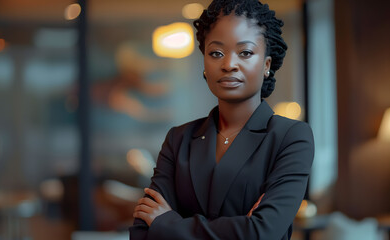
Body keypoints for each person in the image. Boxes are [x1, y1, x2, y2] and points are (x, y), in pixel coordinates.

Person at [130, 0, 314, 239]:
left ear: (266, 65)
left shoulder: (290, 137)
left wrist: (168, 225)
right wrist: (241, 227)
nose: (229, 65)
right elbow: (141, 231)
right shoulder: (179, 139)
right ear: (205, 64)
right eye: (216, 53)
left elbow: (262, 232)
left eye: (245, 53)